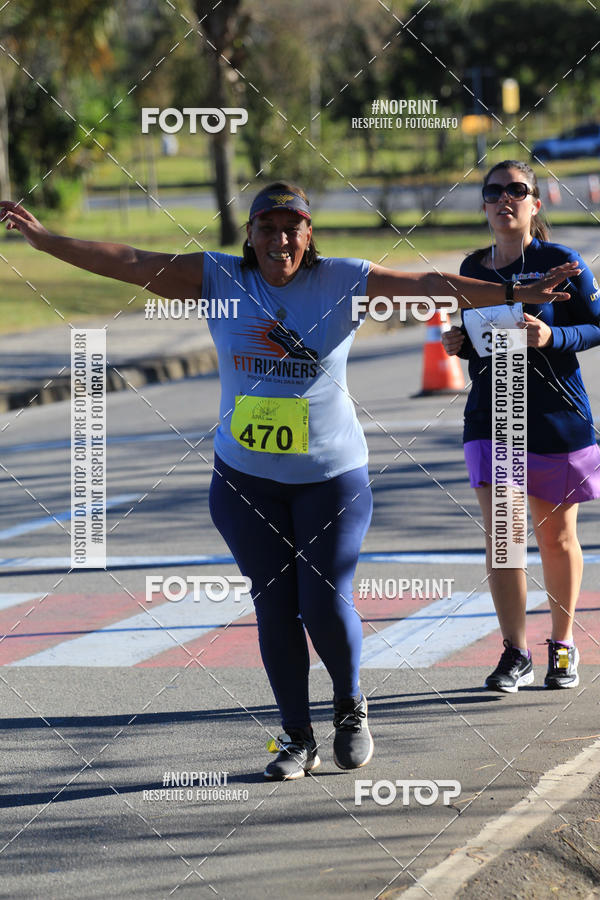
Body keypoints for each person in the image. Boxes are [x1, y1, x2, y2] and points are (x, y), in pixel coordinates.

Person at [0, 182, 578, 779]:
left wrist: (512, 291)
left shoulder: (342, 281)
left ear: (309, 235)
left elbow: (429, 286)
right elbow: (131, 262)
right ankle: (296, 737)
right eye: (267, 228)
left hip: (331, 477)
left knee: (323, 601)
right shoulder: (220, 280)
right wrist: (44, 242)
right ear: (249, 236)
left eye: (292, 228)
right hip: (245, 479)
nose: (280, 240)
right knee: (273, 606)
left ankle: (350, 705)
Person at [442, 160, 600, 694]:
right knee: (504, 541)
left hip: (556, 419)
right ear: (484, 206)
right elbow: (478, 346)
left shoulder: (563, 262)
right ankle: (515, 652)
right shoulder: (472, 268)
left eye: (517, 190)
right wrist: (458, 345)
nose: (505, 199)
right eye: (494, 192)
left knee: (555, 539)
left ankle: (562, 646)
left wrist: (552, 338)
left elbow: (598, 325)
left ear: (537, 203)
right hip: (495, 417)